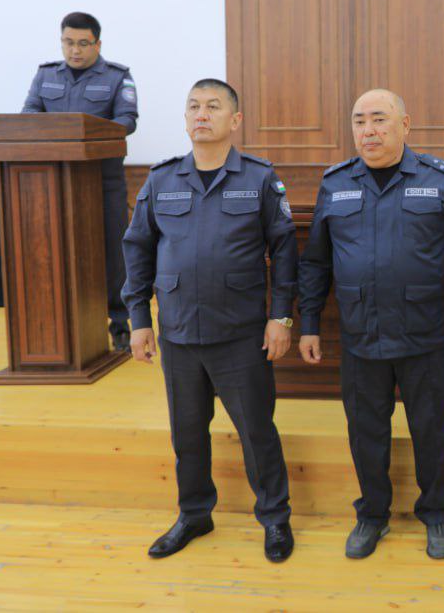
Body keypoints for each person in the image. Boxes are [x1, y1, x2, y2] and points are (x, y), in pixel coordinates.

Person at [297, 89, 444, 561]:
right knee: (365, 432)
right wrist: (308, 323)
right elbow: (316, 262)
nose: (369, 130)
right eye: (359, 121)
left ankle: (436, 513)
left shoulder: (441, 179)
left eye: (379, 119)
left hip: (425, 334)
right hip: (360, 334)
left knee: (432, 430)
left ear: (405, 125)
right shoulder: (335, 183)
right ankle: (372, 514)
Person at [122, 79, 296, 563]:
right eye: (194, 106)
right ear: (185, 118)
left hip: (240, 334)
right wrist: (139, 319)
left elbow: (284, 251)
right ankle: (194, 514)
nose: (202, 114)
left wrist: (281, 316)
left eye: (213, 106)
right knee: (187, 434)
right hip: (178, 332)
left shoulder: (259, 178)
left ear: (234, 120)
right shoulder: (161, 180)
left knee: (256, 431)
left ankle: (275, 518)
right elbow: (137, 249)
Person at [22, 11, 138, 350]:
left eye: (83, 43)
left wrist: (84, 133)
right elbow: (29, 113)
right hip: (51, 184)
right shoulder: (45, 75)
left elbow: (127, 121)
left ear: (97, 44)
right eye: (68, 42)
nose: (75, 50)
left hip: (103, 182)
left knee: (112, 253)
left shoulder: (117, 77)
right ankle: (60, 322)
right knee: (53, 250)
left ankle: (119, 322)